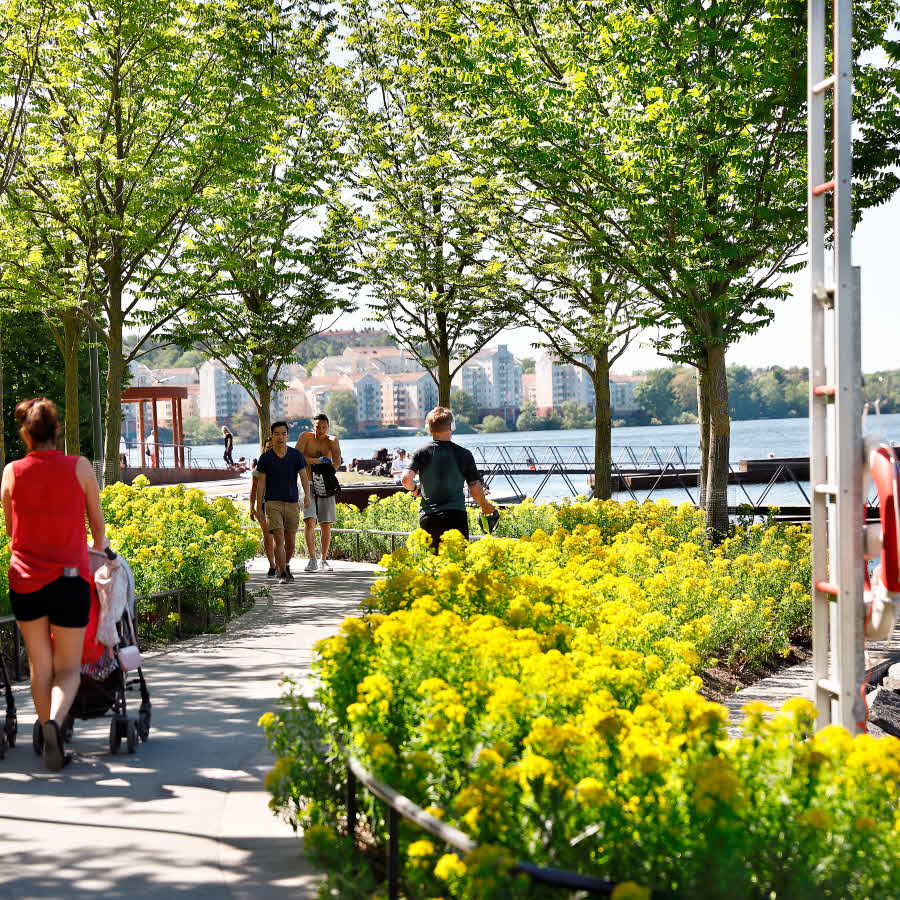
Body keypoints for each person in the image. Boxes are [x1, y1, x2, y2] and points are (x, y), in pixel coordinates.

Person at [0, 398, 113, 771]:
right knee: (67, 668)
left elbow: (10, 530)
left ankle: (45, 721)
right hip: (69, 579)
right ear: (57, 431)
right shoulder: (79, 467)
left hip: (26, 579)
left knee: (39, 663)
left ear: (25, 434)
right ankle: (53, 724)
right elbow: (97, 525)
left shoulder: (12, 472)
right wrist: (97, 552)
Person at [401, 407, 496, 552]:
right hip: (455, 516)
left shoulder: (420, 452)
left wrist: (415, 490)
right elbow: (475, 490)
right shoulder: (464, 454)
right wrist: (484, 506)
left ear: (428, 428)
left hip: (428, 517)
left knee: (434, 565)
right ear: (452, 427)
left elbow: (405, 479)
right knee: (457, 565)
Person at [255, 421, 311, 583]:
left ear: (287, 435)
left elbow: (304, 477)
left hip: (292, 503)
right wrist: (259, 507)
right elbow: (261, 484)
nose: (280, 437)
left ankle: (285, 565)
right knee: (278, 537)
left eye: (283, 434)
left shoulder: (296, 455)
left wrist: (307, 495)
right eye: (277, 434)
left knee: (291, 543)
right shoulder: (265, 458)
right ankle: (282, 572)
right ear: (272, 436)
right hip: (273, 504)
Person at [295, 413, 342, 573]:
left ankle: (324, 559)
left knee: (325, 523)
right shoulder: (305, 438)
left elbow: (337, 463)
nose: (320, 430)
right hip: (307, 483)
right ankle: (312, 559)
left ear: (328, 427)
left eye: (324, 427)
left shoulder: (332, 441)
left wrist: (327, 469)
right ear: (312, 426)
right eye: (317, 427)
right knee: (309, 521)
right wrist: (316, 460)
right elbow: (296, 457)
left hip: (325, 484)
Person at [249, 438, 276, 577]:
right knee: (267, 535)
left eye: (272, 447)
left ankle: (281, 563)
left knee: (279, 535)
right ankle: (272, 565)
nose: (270, 449)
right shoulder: (259, 467)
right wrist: (252, 507)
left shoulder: (284, 463)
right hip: (264, 504)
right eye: (267, 447)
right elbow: (253, 488)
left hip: (280, 504)